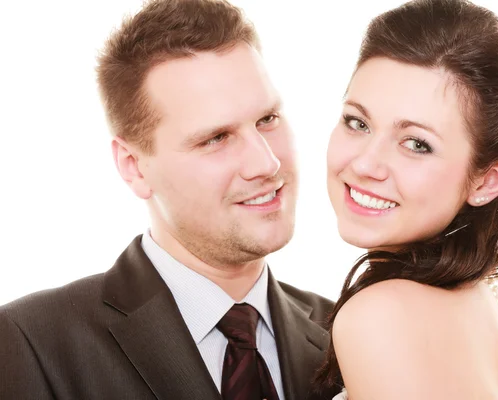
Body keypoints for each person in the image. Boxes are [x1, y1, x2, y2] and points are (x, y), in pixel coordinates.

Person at [0, 1, 339, 399]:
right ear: (134, 167)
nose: (266, 162)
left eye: (268, 119)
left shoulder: (349, 334)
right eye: (215, 138)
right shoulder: (32, 343)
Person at [316, 0, 498, 398]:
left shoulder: (379, 315)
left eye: (417, 144)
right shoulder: (487, 305)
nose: (366, 163)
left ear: (487, 180)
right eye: (358, 122)